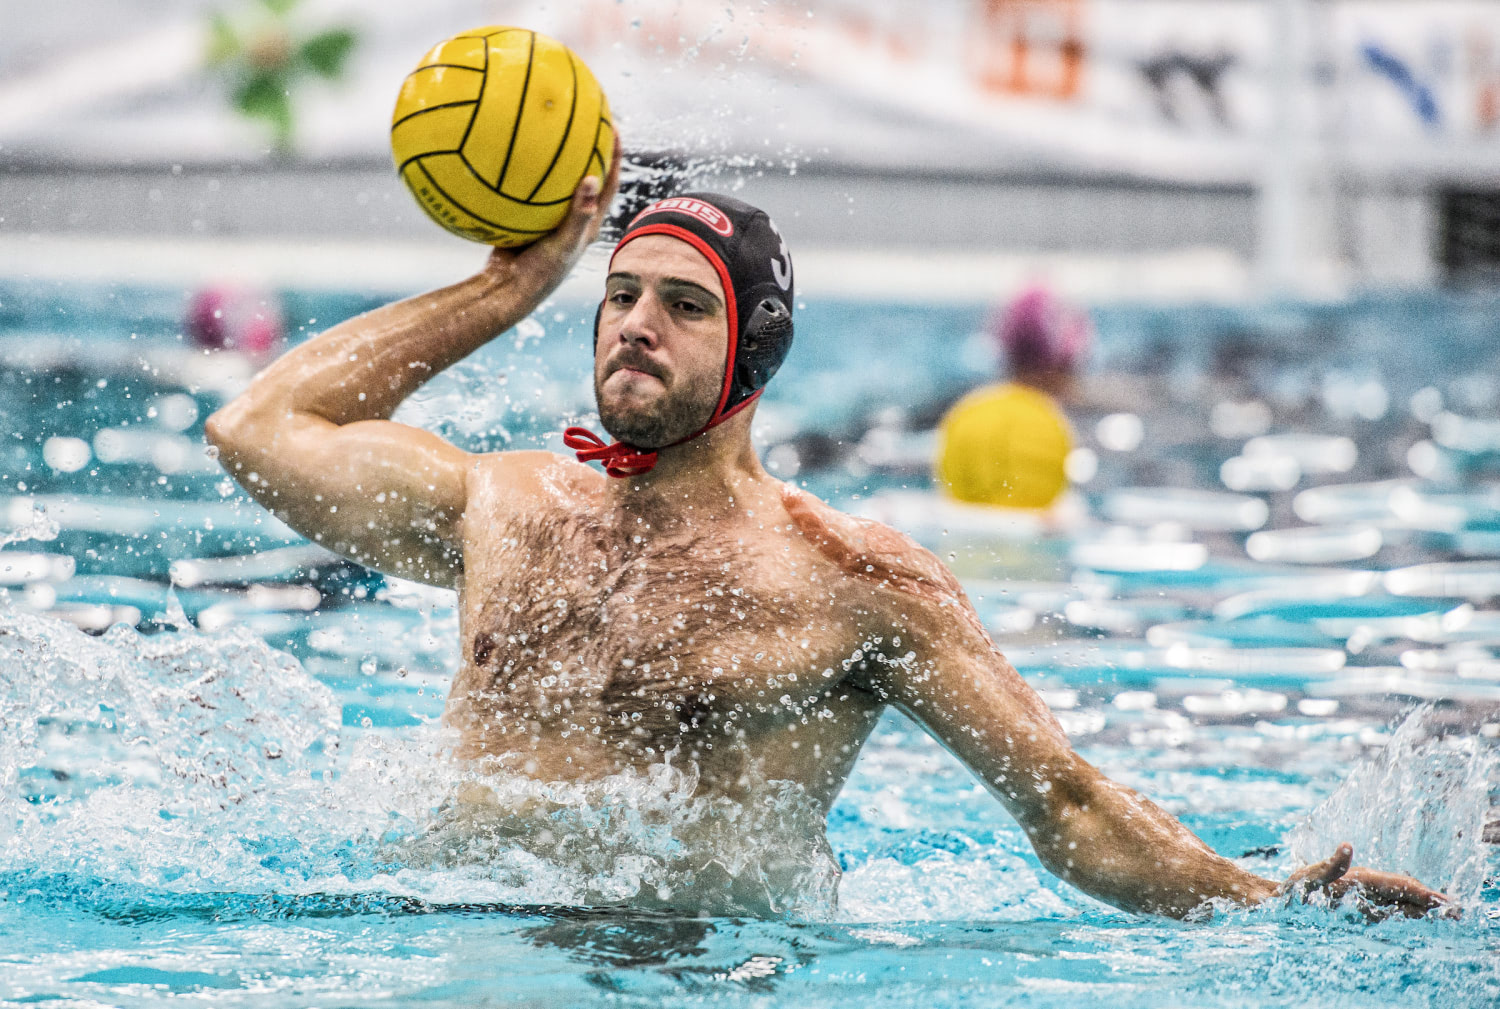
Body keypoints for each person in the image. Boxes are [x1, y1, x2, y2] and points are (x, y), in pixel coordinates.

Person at [205, 146, 1447, 920]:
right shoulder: (502, 508)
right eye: (619, 295)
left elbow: (1066, 807)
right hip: (446, 934)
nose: (635, 322)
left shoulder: (851, 582)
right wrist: (504, 287)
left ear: (753, 352)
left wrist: (1269, 904)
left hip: (703, 968)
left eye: (684, 305)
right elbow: (257, 426)